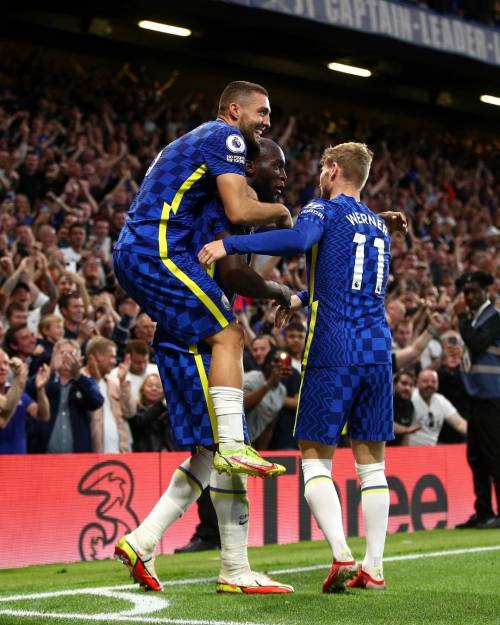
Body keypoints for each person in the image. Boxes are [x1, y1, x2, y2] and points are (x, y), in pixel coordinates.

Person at [199, 142, 408, 592]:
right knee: (372, 467)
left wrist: (228, 242)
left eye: (321, 169)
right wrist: (296, 299)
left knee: (316, 460)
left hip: (334, 347)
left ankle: (340, 554)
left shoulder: (323, 210)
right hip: (377, 348)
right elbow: (343, 280)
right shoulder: (377, 224)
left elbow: (298, 241)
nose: (317, 176)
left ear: (333, 170)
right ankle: (374, 567)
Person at [115, 138, 293, 594]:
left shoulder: (230, 200)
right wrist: (279, 291)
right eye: (277, 166)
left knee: (208, 454)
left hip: (187, 331)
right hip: (195, 338)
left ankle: (144, 540)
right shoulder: (223, 200)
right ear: (248, 166)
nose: (284, 175)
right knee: (226, 452)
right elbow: (231, 272)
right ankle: (234, 569)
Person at [113, 80, 291, 479]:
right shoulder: (226, 136)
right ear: (233, 110)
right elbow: (239, 208)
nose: (266, 120)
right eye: (261, 112)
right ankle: (232, 445)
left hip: (138, 248)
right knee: (229, 336)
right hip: (156, 247)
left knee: (218, 340)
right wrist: (280, 212)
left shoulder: (196, 139)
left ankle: (146, 538)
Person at [453, 271, 500, 529]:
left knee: (495, 456)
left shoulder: (494, 317)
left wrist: (460, 317)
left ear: (485, 292)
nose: (468, 296)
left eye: (473, 291)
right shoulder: (475, 319)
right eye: (466, 291)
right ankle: (483, 512)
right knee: (477, 457)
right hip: (477, 397)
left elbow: (478, 343)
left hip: (493, 396)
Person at [404, 369, 467, 446]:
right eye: (425, 381)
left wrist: (475, 434)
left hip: (433, 449)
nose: (430, 384)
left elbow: (459, 423)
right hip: (409, 449)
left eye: (434, 382)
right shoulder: (409, 395)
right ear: (417, 383)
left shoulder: (440, 400)